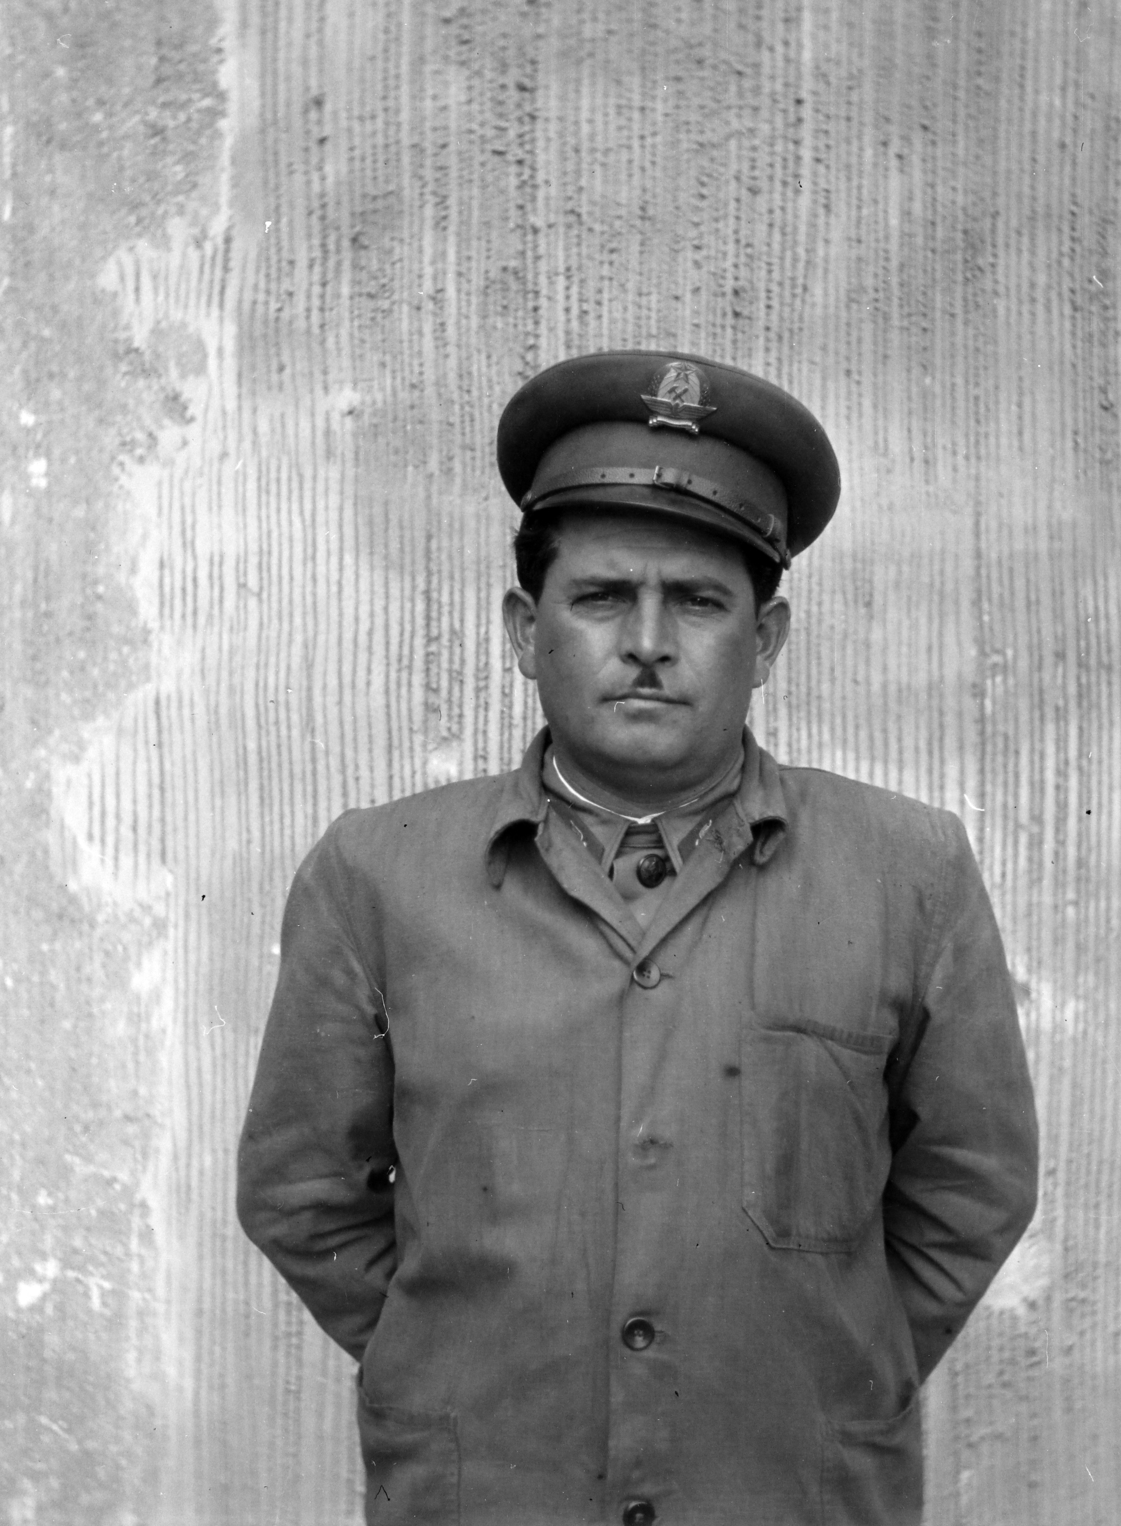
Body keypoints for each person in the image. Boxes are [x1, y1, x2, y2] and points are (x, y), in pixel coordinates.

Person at [236, 350, 1038, 1525]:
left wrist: (824, 1370)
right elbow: (303, 1187)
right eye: (603, 596)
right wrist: (456, 1357)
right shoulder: (379, 874)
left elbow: (973, 1181)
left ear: (764, 640)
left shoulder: (905, 871)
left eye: (699, 602)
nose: (649, 640)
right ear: (524, 627)